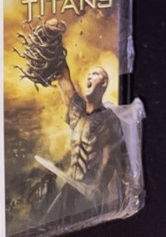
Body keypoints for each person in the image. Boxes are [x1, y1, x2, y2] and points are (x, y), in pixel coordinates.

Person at [48, 56, 129, 218]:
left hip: (90, 192)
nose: (89, 77)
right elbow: (65, 83)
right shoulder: (78, 111)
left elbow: (109, 152)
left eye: (95, 74)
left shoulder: (108, 118)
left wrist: (98, 186)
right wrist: (55, 52)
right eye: (89, 75)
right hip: (71, 184)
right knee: (51, 219)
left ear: (104, 83)